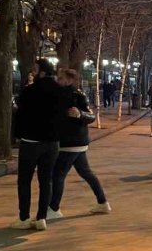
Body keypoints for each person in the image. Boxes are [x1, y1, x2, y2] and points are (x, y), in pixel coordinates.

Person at [12, 59, 69, 231]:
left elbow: (20, 114)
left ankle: (24, 217)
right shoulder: (60, 91)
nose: (32, 72)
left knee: (25, 180)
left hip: (31, 141)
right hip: (52, 143)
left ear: (42, 72)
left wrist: (17, 134)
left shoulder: (29, 91)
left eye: (35, 69)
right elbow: (64, 116)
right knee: (46, 180)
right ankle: (41, 217)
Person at [48, 69, 111, 218]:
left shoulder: (74, 95)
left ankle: (54, 208)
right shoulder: (65, 94)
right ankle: (102, 202)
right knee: (85, 172)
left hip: (71, 141)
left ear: (69, 80)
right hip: (76, 141)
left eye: (61, 78)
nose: (58, 80)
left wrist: (79, 114)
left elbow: (91, 116)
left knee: (58, 175)